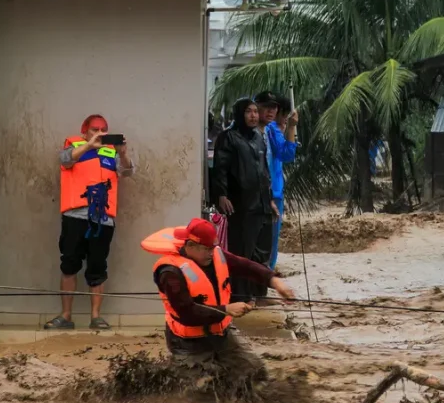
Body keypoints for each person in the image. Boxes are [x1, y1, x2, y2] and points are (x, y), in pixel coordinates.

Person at [142, 218, 294, 377]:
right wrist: (226, 309)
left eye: (213, 248)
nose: (211, 253)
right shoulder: (170, 273)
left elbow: (246, 266)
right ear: (190, 246)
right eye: (206, 249)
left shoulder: (215, 254)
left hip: (221, 334)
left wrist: (274, 281)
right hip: (187, 342)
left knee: (255, 373)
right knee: (202, 389)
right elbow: (187, 313)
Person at [46, 114, 134, 331]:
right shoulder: (73, 147)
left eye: (103, 129)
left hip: (102, 219)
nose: (100, 133)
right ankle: (66, 316)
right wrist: (88, 146)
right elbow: (65, 160)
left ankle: (96, 316)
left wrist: (123, 154)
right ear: (84, 131)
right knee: (69, 264)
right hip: (75, 216)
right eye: (95, 129)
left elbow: (128, 171)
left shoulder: (110, 152)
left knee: (97, 267)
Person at [211, 97, 273, 299]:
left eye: (256, 111)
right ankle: (240, 297)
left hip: (262, 204)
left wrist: (270, 199)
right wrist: (221, 194)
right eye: (249, 111)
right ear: (239, 114)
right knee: (241, 254)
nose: (254, 115)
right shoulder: (228, 137)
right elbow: (220, 168)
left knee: (262, 254)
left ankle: (259, 294)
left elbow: (264, 171)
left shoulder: (258, 137)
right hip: (242, 204)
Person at [255, 92, 299, 270]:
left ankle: (265, 273)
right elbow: (287, 154)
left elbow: (286, 154)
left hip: (274, 191)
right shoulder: (271, 129)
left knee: (269, 239)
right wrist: (290, 128)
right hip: (269, 192)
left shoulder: (269, 130)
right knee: (267, 239)